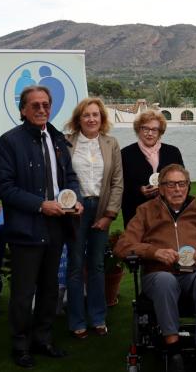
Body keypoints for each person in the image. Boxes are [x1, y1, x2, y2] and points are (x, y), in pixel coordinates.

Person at [114, 164, 196, 372]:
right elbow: (122, 246)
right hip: (158, 275)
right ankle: (174, 352)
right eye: (170, 184)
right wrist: (154, 252)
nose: (177, 189)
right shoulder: (145, 212)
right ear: (161, 188)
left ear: (188, 186)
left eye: (181, 184)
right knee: (165, 280)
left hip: (194, 274)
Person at [0, 85, 84, 368]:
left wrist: (75, 199)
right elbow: (5, 187)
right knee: (23, 293)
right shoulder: (10, 141)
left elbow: (69, 177)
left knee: (49, 288)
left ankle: (43, 340)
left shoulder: (57, 139)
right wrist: (40, 205)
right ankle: (20, 346)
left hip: (57, 225)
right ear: (23, 110)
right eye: (35, 105)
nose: (42, 109)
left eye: (46, 104)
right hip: (26, 228)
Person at [64, 97, 123, 339]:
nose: (91, 119)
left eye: (95, 114)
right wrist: (70, 205)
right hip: (75, 210)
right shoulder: (66, 143)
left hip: (101, 208)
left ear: (102, 118)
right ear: (78, 119)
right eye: (86, 115)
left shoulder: (111, 143)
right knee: (76, 265)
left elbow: (117, 182)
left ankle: (98, 318)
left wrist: (109, 214)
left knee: (97, 265)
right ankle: (77, 321)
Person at [121, 109, 183, 227]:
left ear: (160, 132)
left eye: (154, 129)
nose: (150, 133)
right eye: (145, 128)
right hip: (136, 216)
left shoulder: (173, 152)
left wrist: (166, 189)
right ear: (138, 130)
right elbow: (120, 186)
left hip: (168, 215)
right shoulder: (125, 154)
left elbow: (185, 183)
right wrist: (140, 190)